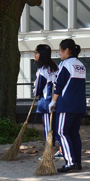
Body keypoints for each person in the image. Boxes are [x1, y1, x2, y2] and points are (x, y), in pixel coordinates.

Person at [49, 39, 86, 173]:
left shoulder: (65, 64)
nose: (59, 54)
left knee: (62, 133)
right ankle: (77, 162)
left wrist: (53, 101)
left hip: (67, 105)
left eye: (60, 51)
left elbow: (58, 85)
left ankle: (70, 163)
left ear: (67, 50)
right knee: (74, 133)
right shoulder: (81, 65)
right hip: (79, 105)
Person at [33, 44, 63, 161]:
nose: (34, 54)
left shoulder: (42, 70)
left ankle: (49, 153)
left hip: (46, 103)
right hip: (58, 102)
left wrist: (34, 90)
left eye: (36, 52)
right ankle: (61, 150)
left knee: (48, 128)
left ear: (42, 55)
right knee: (57, 127)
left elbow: (38, 89)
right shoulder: (55, 67)